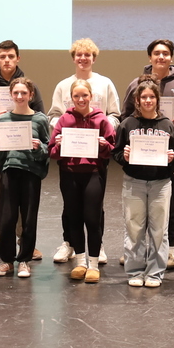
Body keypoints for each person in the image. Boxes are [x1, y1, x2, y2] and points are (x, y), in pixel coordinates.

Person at [47, 38, 120, 266]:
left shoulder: (105, 83)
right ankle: (69, 243)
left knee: (94, 204)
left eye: (87, 55)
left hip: (96, 155)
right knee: (71, 205)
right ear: (73, 58)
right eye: (79, 54)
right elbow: (54, 115)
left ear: (94, 58)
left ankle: (98, 247)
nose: (83, 58)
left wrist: (100, 131)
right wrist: (67, 133)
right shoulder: (63, 85)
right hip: (70, 153)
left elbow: (115, 115)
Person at [120, 39, 174, 267]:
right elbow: (125, 118)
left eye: (165, 53)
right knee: (136, 212)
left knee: (169, 206)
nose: (161, 57)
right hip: (140, 163)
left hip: (169, 157)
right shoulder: (135, 84)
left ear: (171, 57)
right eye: (157, 53)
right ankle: (136, 252)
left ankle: (168, 251)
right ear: (150, 57)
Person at [0, 40, 45, 259]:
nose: (7, 60)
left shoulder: (28, 86)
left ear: (18, 58)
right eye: (3, 57)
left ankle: (23, 240)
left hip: (24, 155)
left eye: (11, 56)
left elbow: (39, 116)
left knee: (22, 199)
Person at [113, 79, 174, 287]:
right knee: (134, 228)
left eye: (152, 97)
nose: (148, 100)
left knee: (159, 229)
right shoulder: (127, 125)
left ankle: (154, 273)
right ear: (137, 100)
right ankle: (134, 271)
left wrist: (172, 158)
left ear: (157, 100)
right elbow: (115, 153)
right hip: (134, 182)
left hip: (161, 183)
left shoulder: (167, 125)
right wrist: (123, 156)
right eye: (144, 97)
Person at [0, 77, 50, 278]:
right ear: (11, 95)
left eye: (24, 93)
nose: (20, 96)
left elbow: (47, 149)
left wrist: (38, 147)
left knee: (29, 219)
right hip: (9, 171)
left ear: (31, 95)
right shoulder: (4, 120)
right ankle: (7, 261)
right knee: (6, 219)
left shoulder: (40, 119)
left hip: (31, 173)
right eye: (16, 93)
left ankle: (24, 260)